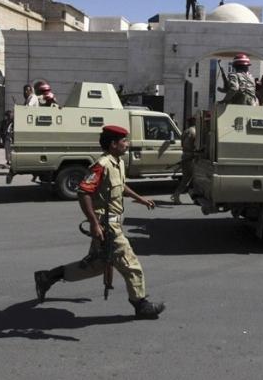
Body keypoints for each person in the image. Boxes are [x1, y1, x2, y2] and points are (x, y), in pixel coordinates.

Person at [33, 125, 165, 320]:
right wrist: (94, 224)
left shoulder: (117, 162)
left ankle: (48, 277)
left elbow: (120, 186)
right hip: (107, 226)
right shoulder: (101, 165)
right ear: (113, 144)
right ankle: (140, 304)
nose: (127, 144)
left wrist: (140, 198)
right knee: (131, 264)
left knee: (96, 266)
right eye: (124, 141)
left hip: (113, 224)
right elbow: (83, 192)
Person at [171, 117, 197, 205]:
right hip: (190, 157)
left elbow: (182, 144)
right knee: (188, 179)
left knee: (190, 178)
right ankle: (176, 195)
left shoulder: (186, 131)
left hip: (185, 155)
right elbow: (193, 145)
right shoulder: (194, 131)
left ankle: (193, 195)